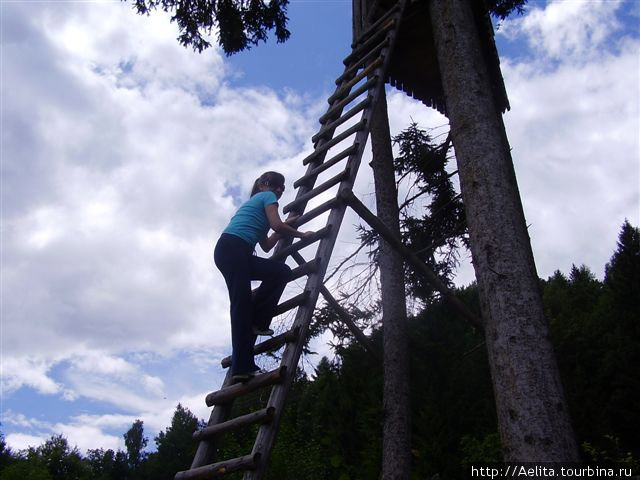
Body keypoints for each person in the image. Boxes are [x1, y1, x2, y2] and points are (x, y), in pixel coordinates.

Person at [214, 171, 312, 382]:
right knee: (241, 306)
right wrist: (300, 233)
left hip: (233, 251)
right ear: (263, 184)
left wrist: (287, 226)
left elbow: (267, 245)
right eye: (276, 185)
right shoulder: (267, 198)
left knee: (280, 272)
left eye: (282, 188)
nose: (279, 190)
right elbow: (277, 225)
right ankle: (242, 367)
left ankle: (258, 321)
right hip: (233, 249)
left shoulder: (257, 204)